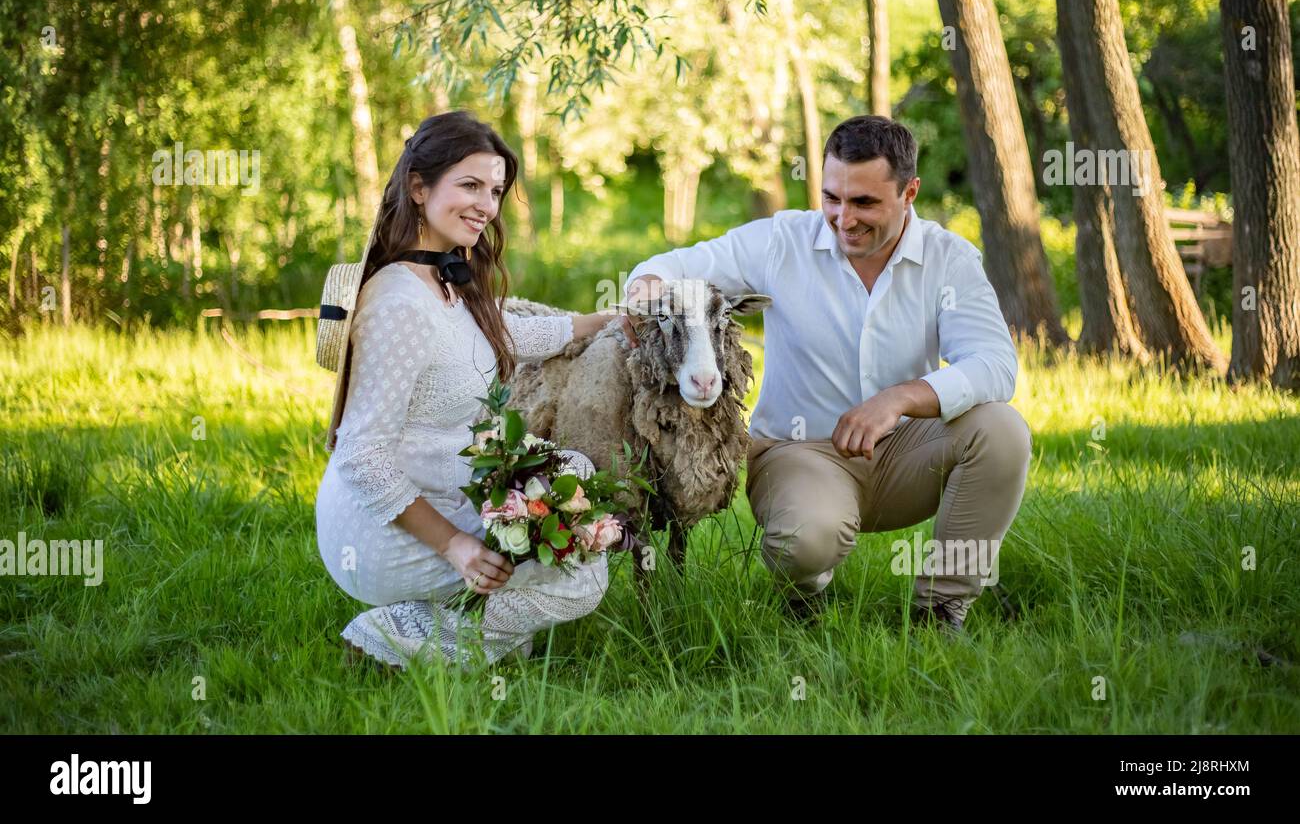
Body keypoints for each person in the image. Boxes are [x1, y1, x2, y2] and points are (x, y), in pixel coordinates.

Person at [622, 115, 1032, 633]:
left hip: (908, 452)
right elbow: (671, 265)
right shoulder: (781, 242)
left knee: (1002, 430)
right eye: (832, 197)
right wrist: (647, 290)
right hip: (802, 451)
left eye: (864, 203)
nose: (843, 218)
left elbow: (995, 364)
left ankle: (941, 609)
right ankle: (805, 591)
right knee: (805, 542)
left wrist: (901, 398)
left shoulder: (948, 259)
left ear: (910, 192)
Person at [315, 110, 623, 668]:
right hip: (384, 528)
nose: (488, 205)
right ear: (418, 187)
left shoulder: (444, 279)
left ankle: (474, 627)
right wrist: (455, 546)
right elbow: (360, 454)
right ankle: (391, 635)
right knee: (583, 575)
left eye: (497, 190)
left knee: (573, 474)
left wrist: (617, 320)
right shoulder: (397, 305)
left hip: (446, 488)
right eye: (471, 185)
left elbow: (519, 332)